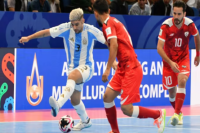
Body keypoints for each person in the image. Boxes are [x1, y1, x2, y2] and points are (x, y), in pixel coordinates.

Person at [19, 8, 107, 131]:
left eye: (77, 24)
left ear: (83, 20)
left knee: (72, 77)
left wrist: (113, 60)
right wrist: (28, 37)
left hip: (87, 67)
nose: (74, 27)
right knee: (75, 100)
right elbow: (46, 32)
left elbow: (109, 42)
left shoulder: (91, 30)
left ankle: (58, 105)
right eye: (73, 25)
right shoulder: (66, 28)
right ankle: (86, 121)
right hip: (72, 68)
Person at [93, 0, 166, 133]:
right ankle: (115, 130)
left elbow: (114, 45)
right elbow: (115, 44)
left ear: (95, 14)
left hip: (131, 68)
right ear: (108, 11)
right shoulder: (113, 21)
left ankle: (158, 114)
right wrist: (115, 62)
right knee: (107, 97)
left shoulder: (107, 24)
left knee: (126, 108)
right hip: (123, 66)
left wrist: (108, 68)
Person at [157, 0, 200, 126]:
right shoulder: (165, 26)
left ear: (184, 14)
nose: (176, 17)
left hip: (183, 58)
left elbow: (197, 36)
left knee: (182, 81)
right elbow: (159, 48)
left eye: (179, 14)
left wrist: (197, 54)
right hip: (168, 61)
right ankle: (179, 112)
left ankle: (175, 114)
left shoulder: (190, 24)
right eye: (174, 14)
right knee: (171, 93)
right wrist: (170, 63)